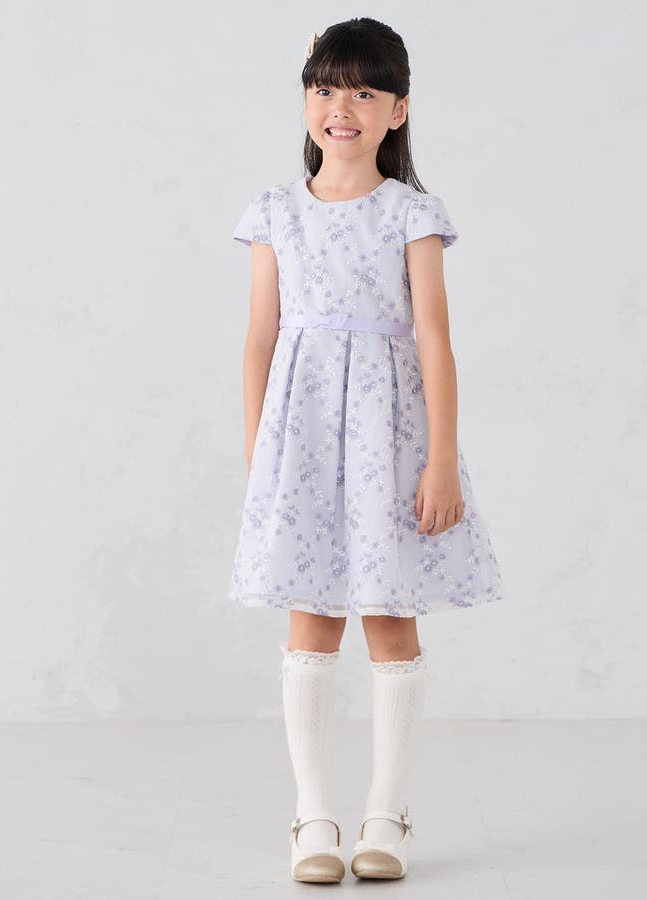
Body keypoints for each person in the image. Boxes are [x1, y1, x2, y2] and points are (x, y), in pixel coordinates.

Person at [229, 17, 505, 883]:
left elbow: (435, 341)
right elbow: (259, 340)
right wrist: (260, 456)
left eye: (363, 91)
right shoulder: (276, 211)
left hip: (391, 438)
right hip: (302, 437)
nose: (340, 107)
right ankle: (313, 818)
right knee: (310, 619)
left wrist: (441, 460)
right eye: (324, 88)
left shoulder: (411, 213)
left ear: (398, 109)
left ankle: (387, 815)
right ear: (305, 99)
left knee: (389, 619)